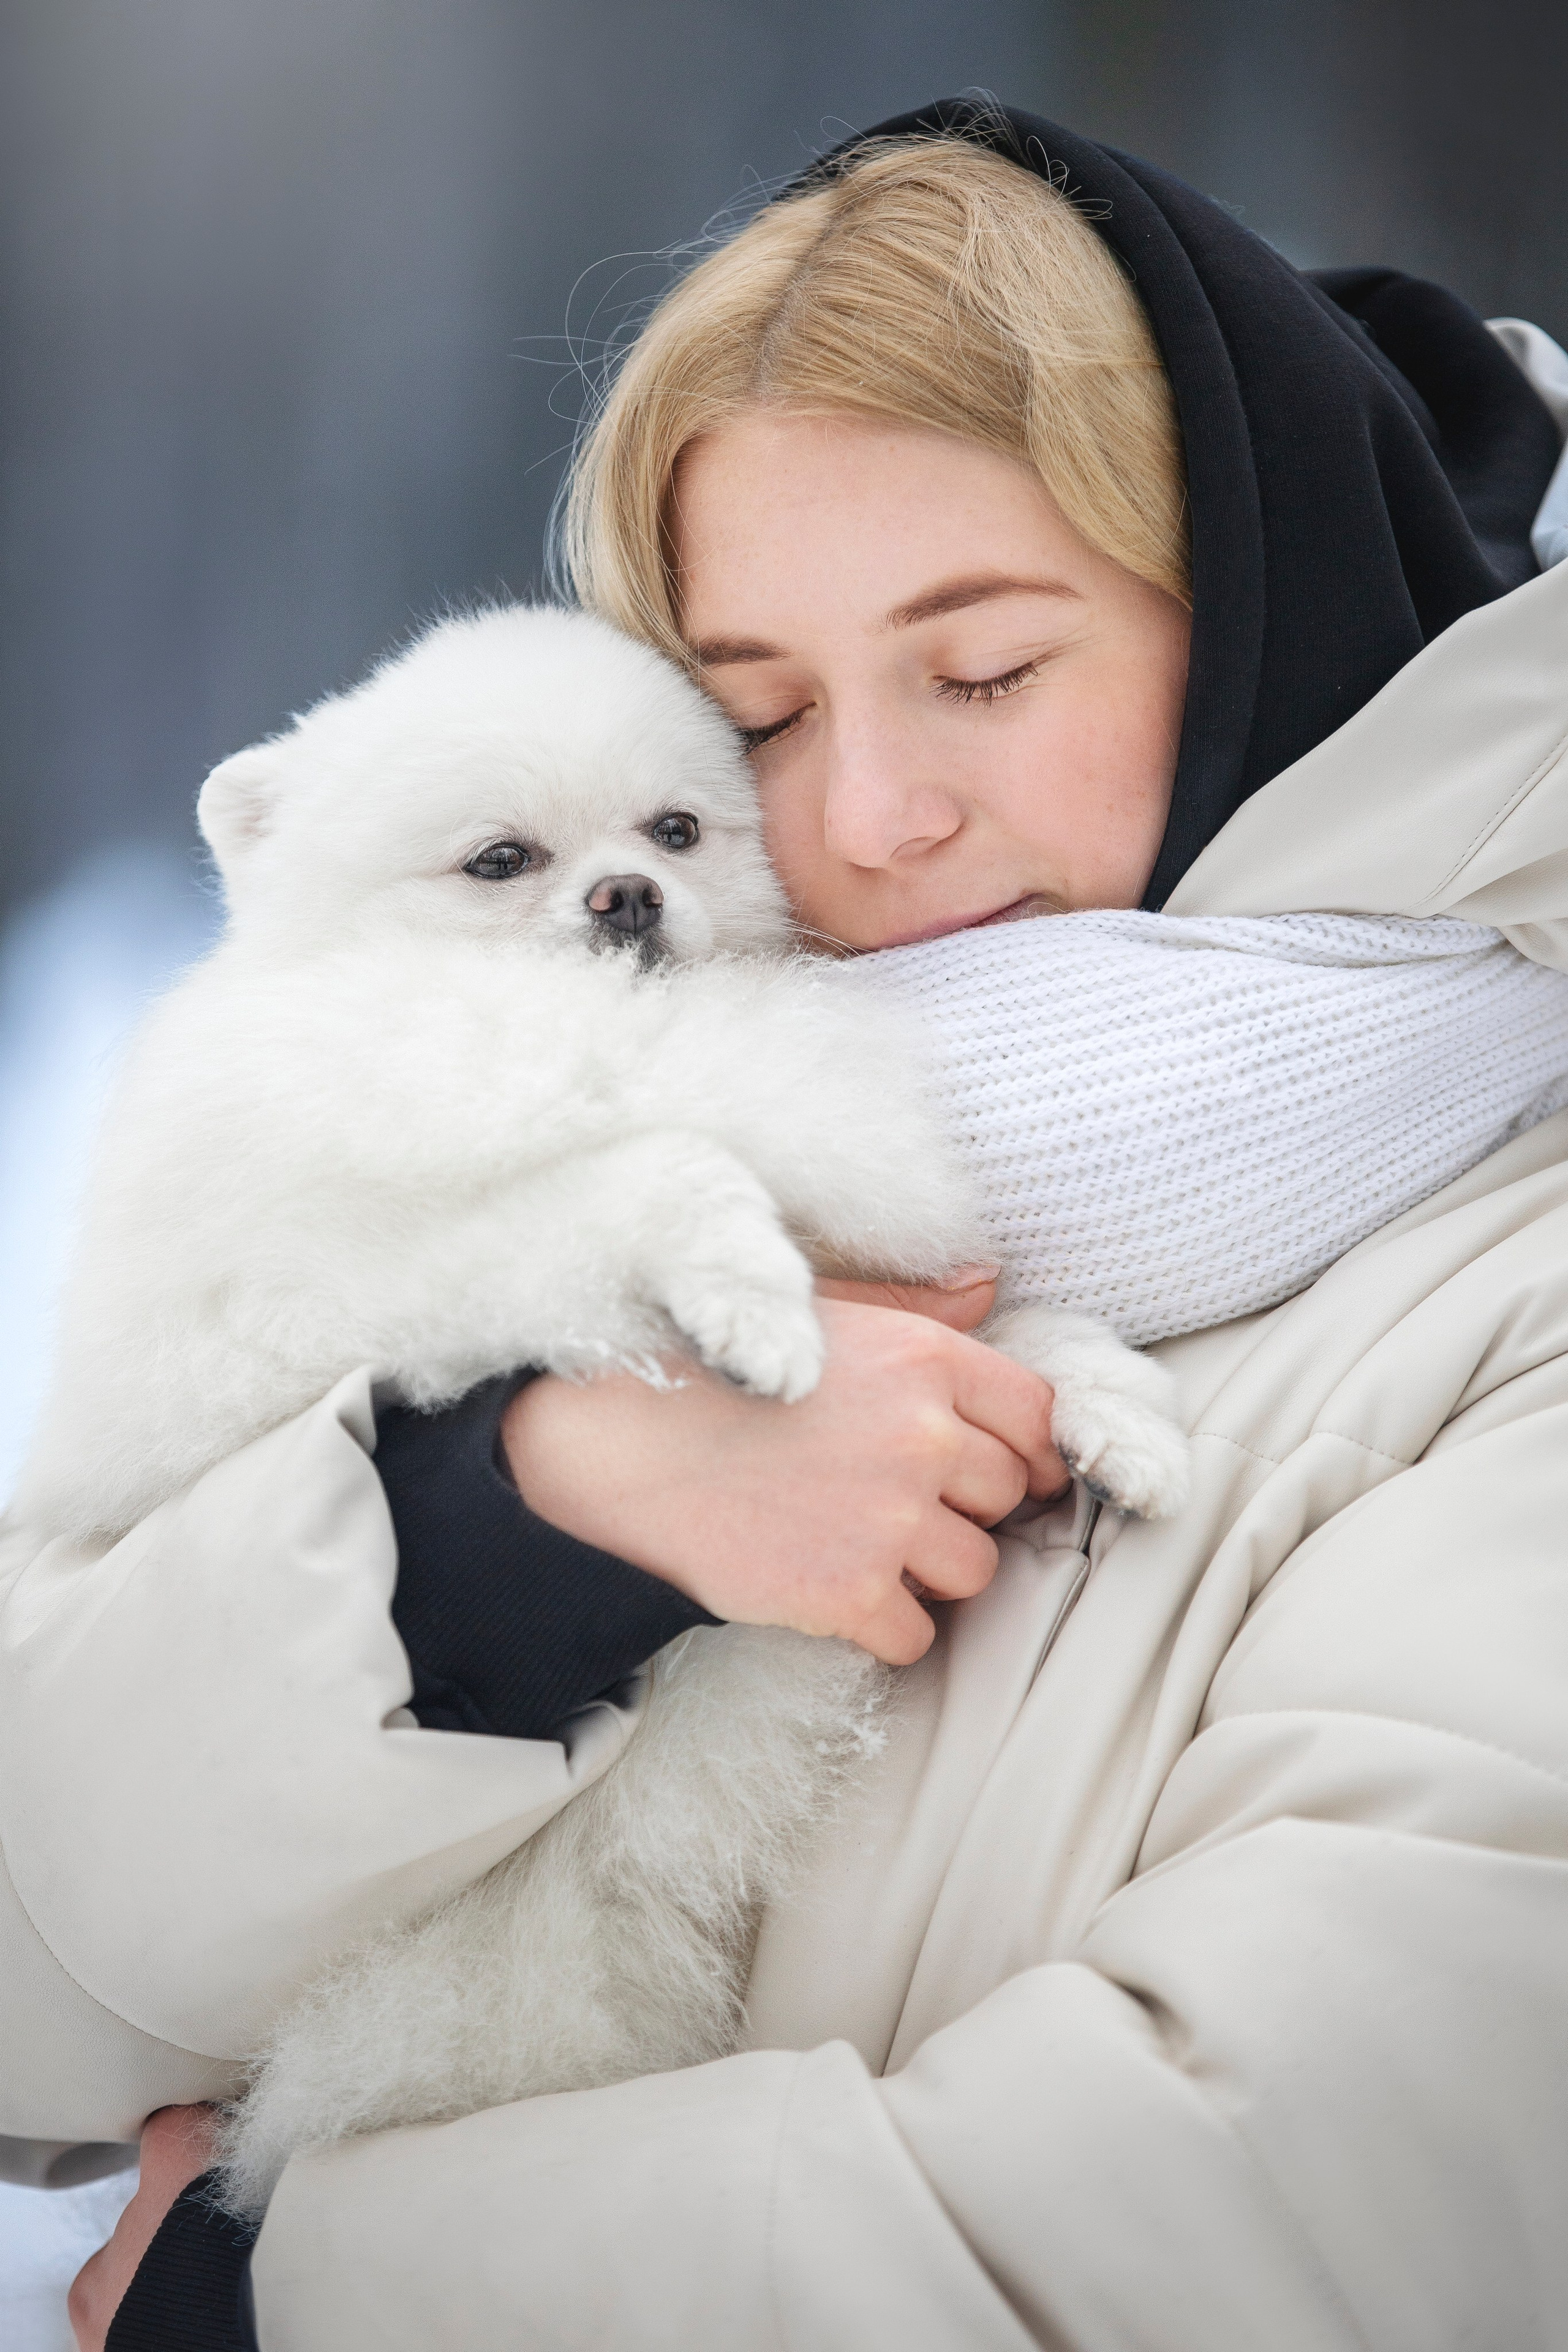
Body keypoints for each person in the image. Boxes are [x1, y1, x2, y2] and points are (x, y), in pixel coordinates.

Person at [7, 96, 1568, 2348]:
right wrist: (499, 1532)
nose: (872, 814)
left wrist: (307, 2300)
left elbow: (1295, 2204)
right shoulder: (576, 1174)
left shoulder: (1512, 1306)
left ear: (1269, 617)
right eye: (758, 717)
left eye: (985, 670)